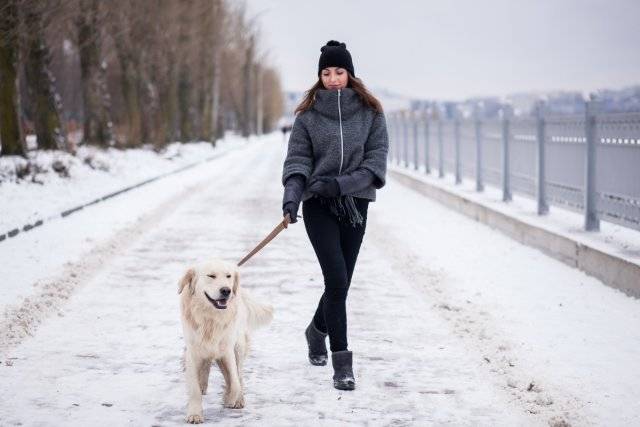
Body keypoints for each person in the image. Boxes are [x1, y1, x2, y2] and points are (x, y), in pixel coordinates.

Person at [280, 40, 389, 391]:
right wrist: (291, 199)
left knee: (339, 283)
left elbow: (375, 164)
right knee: (337, 281)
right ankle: (342, 363)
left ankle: (316, 331)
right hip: (318, 206)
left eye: (339, 71)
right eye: (326, 73)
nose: (333, 79)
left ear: (350, 73)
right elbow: (297, 162)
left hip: (355, 203)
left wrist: (339, 185)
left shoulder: (372, 112)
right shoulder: (308, 117)